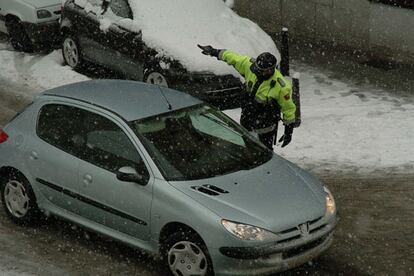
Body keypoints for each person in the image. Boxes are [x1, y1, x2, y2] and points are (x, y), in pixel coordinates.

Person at [198, 45, 296, 150]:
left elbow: (288, 109)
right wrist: (214, 52)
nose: (262, 73)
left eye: (266, 71)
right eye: (260, 70)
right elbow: (233, 57)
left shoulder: (281, 86)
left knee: (265, 151)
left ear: (273, 68)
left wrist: (288, 132)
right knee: (248, 146)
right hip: (247, 118)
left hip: (265, 126)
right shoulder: (250, 67)